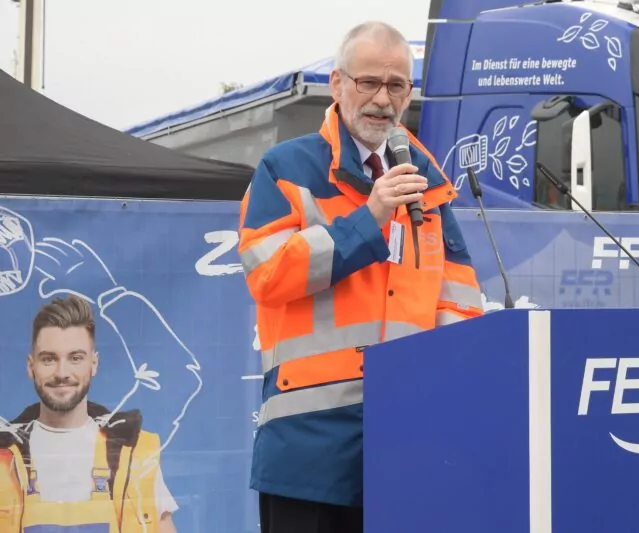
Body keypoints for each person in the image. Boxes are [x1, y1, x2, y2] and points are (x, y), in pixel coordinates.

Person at [237, 20, 485, 533]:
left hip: (406, 448)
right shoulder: (286, 169)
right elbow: (267, 275)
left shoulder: (429, 187)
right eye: (367, 82)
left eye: (396, 86)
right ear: (337, 84)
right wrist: (368, 220)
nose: (382, 99)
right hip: (307, 449)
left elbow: (459, 308)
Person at [0, 295, 179, 533]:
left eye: (75, 358)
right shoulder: (3, 457)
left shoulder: (134, 452)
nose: (62, 372)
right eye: (49, 359)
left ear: (93, 364)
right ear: (31, 366)